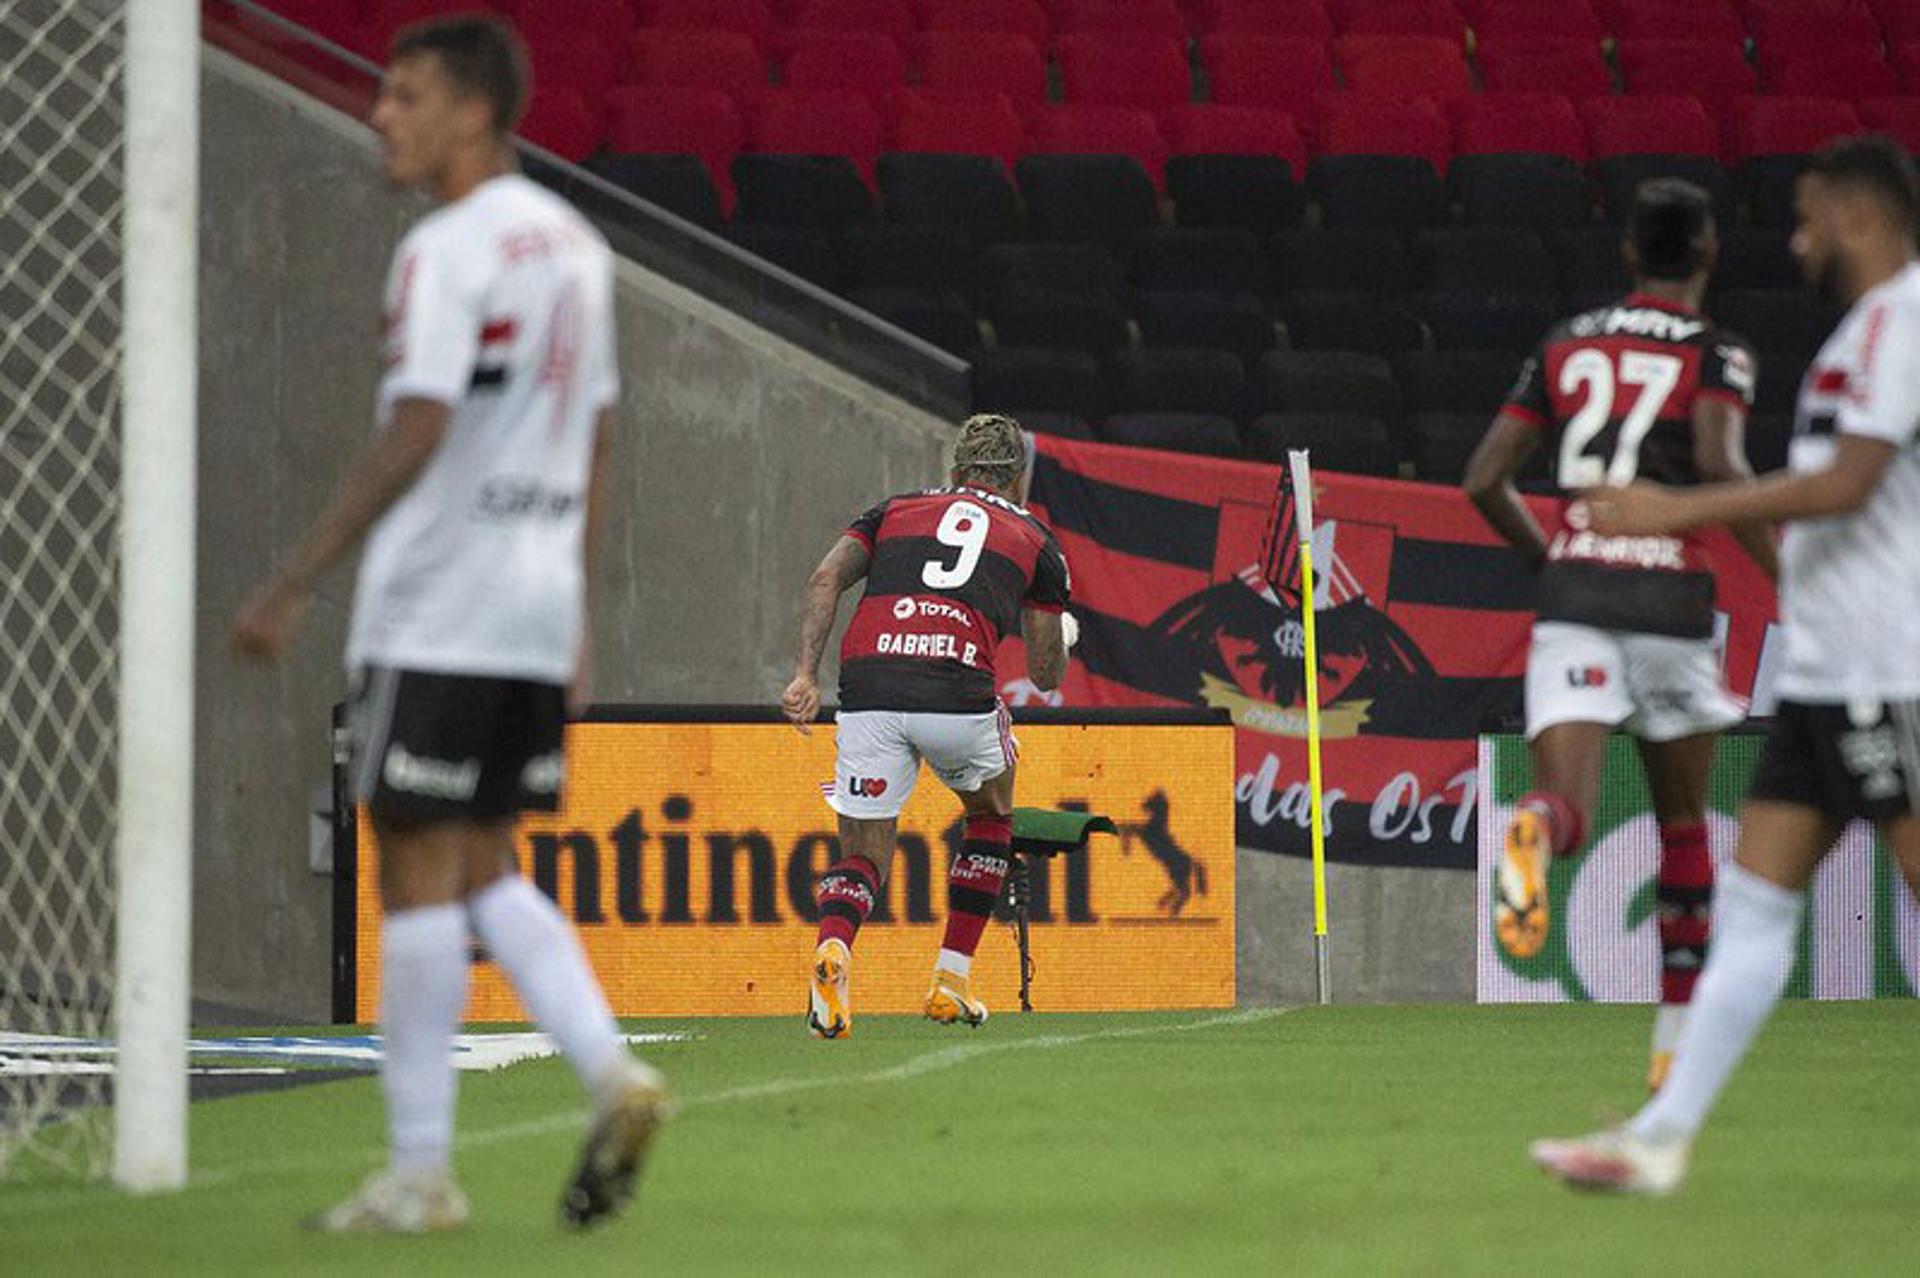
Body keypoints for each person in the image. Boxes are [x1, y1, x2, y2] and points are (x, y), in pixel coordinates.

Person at [231, 15, 664, 1233]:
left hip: (439, 598)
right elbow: (596, 437)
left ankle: (421, 1173)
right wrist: (574, 615)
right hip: (531, 602)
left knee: (414, 876)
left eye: (405, 94)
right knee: (482, 864)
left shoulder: (444, 249)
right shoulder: (579, 248)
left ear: (473, 111)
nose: (382, 115)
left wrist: (298, 576)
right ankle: (612, 1074)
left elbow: (420, 422)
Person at [1532, 134, 1920, 1194]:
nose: (1794, 240)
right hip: (1825, 673)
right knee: (1752, 911)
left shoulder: (1907, 323)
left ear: (1857, 216)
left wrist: (1680, 508)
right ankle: (1661, 1139)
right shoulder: (1867, 329)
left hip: (1890, 671)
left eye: (1806, 217)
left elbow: (1845, 485)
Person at [1465, 179, 1777, 1090]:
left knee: (1570, 810)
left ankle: (1530, 826)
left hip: (1576, 595)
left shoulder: (1567, 342)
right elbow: (1720, 462)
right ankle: (1675, 1047)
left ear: (1632, 255)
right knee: (1683, 826)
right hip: (1671, 606)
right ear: (1710, 252)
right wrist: (1782, 566)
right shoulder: (1719, 353)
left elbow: (1485, 478)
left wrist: (1552, 557)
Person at [780, 414, 1072, 1038]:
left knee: (862, 854)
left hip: (869, 689)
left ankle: (834, 949)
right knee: (992, 815)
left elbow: (824, 576)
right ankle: (951, 979)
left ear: (956, 470)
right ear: (1017, 478)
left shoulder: (894, 510)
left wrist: (806, 674)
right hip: (955, 690)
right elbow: (1046, 674)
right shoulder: (1036, 539)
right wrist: (1064, 639)